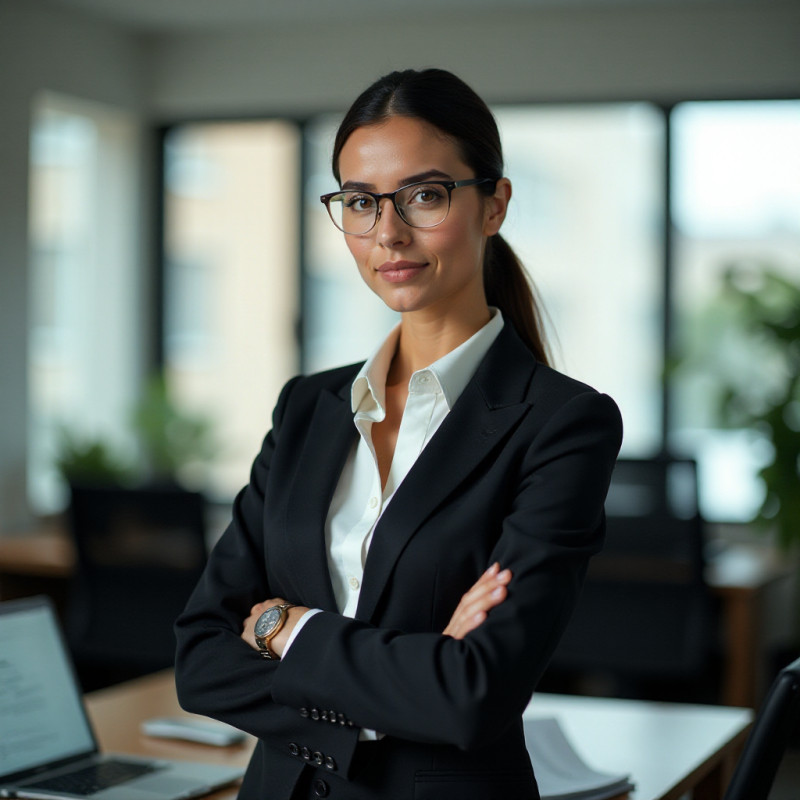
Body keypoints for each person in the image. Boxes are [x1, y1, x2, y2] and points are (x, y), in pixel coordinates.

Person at [174, 68, 623, 800]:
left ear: (494, 205)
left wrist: (285, 628)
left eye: (424, 194)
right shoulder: (307, 407)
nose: (388, 232)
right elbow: (199, 657)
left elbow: (472, 694)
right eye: (360, 202)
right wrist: (407, 675)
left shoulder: (562, 423)